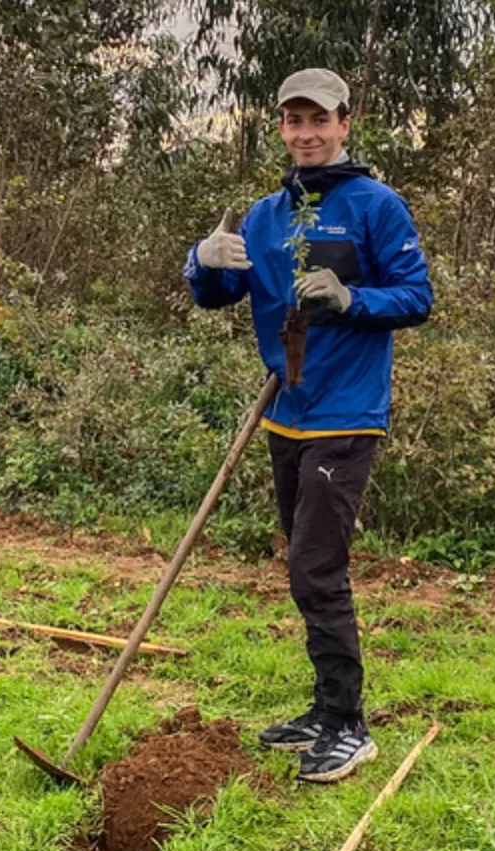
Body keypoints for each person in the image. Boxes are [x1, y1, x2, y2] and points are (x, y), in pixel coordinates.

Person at [183, 69, 433, 782]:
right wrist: (202, 263)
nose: (306, 133)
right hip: (284, 414)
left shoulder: (376, 207)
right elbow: (216, 294)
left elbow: (417, 297)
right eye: (294, 121)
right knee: (304, 565)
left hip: (347, 412)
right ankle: (324, 713)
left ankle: (349, 724)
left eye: (319, 120)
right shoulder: (265, 217)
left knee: (315, 567)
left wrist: (351, 296)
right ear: (283, 128)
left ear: (345, 123)